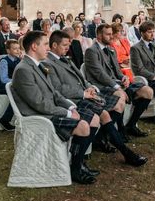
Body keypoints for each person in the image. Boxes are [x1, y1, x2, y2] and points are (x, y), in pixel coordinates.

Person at [47, 30, 147, 166]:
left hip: (87, 95)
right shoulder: (48, 63)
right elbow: (58, 89)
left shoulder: (65, 59)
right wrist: (83, 94)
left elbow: (82, 79)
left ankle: (110, 143)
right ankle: (125, 152)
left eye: (68, 44)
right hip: (74, 101)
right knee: (105, 114)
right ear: (54, 45)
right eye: (64, 45)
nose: (68, 47)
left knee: (115, 105)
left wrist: (90, 88)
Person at [11, 31, 99, 184]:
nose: (48, 48)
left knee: (94, 119)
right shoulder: (23, 70)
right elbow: (39, 103)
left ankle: (78, 162)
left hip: (50, 110)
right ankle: (76, 169)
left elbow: (55, 93)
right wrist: (66, 113)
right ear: (34, 46)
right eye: (45, 44)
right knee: (83, 126)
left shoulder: (39, 65)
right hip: (38, 117)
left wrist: (70, 107)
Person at [85, 24, 154, 138]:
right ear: (98, 36)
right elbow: (99, 74)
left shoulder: (111, 49)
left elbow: (117, 70)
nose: (111, 36)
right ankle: (112, 132)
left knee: (147, 91)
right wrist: (117, 86)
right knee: (120, 95)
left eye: (112, 34)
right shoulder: (91, 51)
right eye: (108, 34)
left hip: (116, 83)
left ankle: (131, 125)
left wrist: (123, 78)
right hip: (101, 86)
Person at [0, 39, 21, 131]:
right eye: (15, 49)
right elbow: (4, 79)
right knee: (19, 94)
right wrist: (17, 81)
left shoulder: (18, 60)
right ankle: (5, 120)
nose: (18, 51)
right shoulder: (4, 61)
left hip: (14, 84)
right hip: (4, 85)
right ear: (8, 50)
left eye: (18, 48)